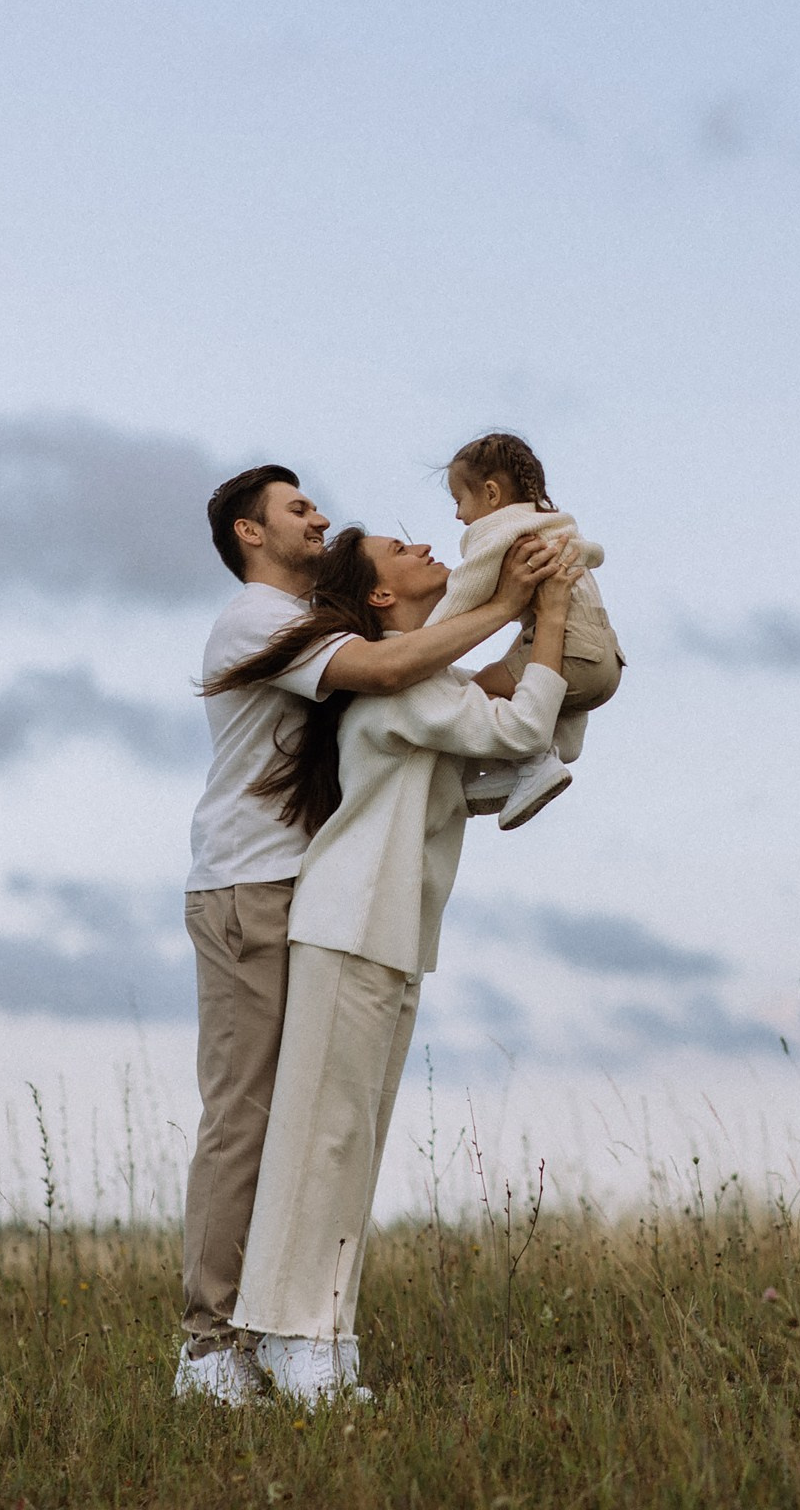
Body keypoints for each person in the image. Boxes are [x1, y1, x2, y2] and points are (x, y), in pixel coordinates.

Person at [175, 465, 557, 1406]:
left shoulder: (322, 628)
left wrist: (544, 611)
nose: (318, 515)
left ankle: (269, 1329)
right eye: (295, 508)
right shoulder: (259, 620)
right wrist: (506, 600)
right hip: (249, 887)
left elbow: (447, 690)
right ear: (248, 534)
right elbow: (391, 669)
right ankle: (208, 1347)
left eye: (315, 504)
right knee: (249, 1120)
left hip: (300, 891)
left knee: (301, 1122)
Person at [434, 432, 623, 830]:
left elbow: (463, 595)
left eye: (459, 501)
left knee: (480, 688)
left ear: (491, 494)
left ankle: (531, 763)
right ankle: (529, 765)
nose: (457, 516)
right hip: (607, 659)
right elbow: (598, 552)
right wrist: (580, 553)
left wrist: (426, 642)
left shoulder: (498, 532)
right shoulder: (553, 524)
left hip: (573, 651)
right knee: (528, 681)